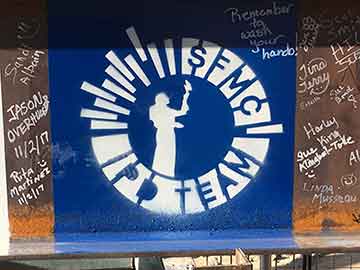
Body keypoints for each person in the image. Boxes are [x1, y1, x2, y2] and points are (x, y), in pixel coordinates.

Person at [149, 82, 191, 177]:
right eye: (165, 98)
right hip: (164, 132)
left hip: (168, 133)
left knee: (168, 154)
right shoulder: (155, 109)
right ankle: (160, 173)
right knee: (163, 152)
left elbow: (182, 112)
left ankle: (164, 174)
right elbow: (157, 122)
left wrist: (186, 95)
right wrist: (173, 124)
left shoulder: (164, 109)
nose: (167, 99)